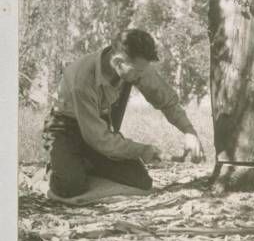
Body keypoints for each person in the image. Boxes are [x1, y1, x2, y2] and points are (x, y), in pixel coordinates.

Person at [42, 28, 204, 203]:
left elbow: (166, 99)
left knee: (141, 182)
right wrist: (143, 150)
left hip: (98, 127)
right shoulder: (81, 79)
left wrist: (189, 131)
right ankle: (57, 166)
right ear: (119, 62)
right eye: (138, 72)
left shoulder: (135, 66)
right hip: (64, 128)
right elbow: (99, 140)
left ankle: (84, 163)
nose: (142, 76)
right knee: (70, 187)